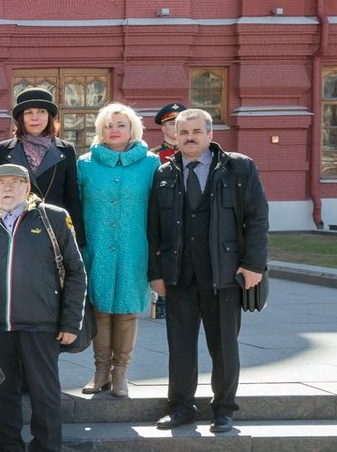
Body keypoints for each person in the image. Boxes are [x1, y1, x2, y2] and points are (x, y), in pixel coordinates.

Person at [147, 108, 268, 435]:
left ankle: (224, 410)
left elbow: (256, 217)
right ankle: (181, 408)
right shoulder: (164, 174)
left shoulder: (237, 168)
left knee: (225, 346)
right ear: (175, 136)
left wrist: (254, 264)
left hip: (225, 274)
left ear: (210, 135)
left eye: (196, 132)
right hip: (180, 275)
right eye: (183, 132)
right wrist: (155, 273)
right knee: (180, 345)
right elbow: (153, 230)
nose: (189, 137)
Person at [0, 164, 84, 452]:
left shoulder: (53, 218)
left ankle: (46, 446)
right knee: (4, 393)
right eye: (1, 184)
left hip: (41, 322)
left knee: (44, 393)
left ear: (27, 187)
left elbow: (75, 271)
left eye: (15, 182)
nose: (7, 188)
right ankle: (8, 445)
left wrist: (71, 322)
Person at [76, 103, 156, 398]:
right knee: (99, 310)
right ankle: (100, 371)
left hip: (134, 249)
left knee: (125, 311)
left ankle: (120, 371)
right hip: (96, 248)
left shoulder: (150, 164)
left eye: (120, 125)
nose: (114, 130)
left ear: (132, 128)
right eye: (108, 125)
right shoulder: (85, 164)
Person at [0, 89, 83, 244]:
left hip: (54, 230)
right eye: (29, 112)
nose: (35, 118)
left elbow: (72, 197)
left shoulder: (65, 150)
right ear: (21, 118)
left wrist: (77, 239)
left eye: (41, 111)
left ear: (49, 116)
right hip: (15, 229)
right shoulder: (5, 149)